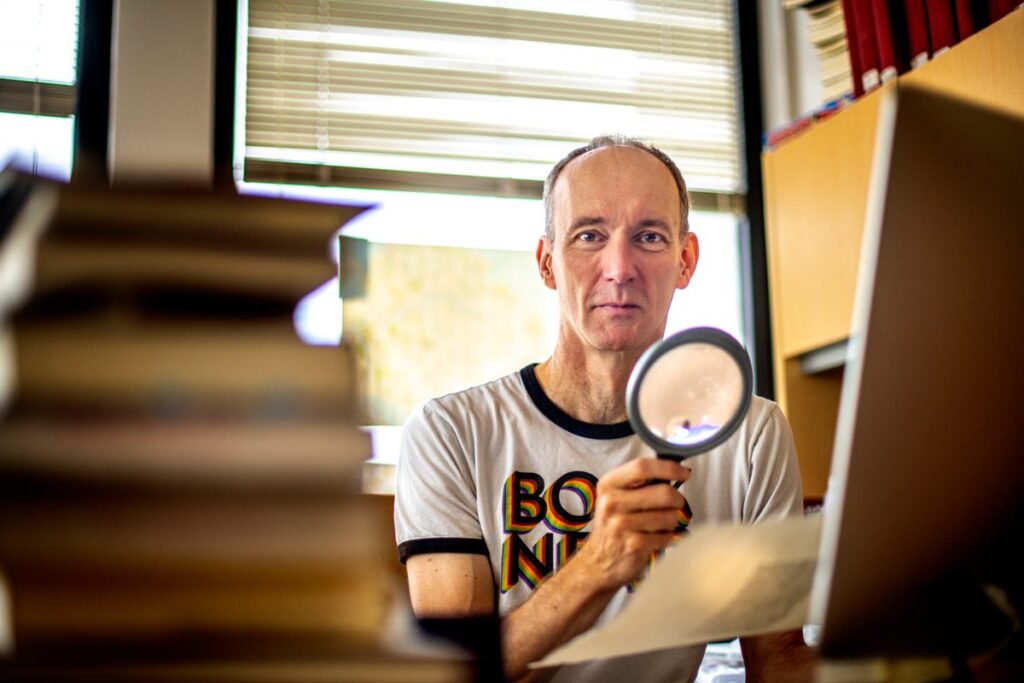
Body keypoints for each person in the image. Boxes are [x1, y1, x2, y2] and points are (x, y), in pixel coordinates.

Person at [395, 135, 814, 682]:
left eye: (649, 237)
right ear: (547, 264)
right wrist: (598, 565)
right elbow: (450, 674)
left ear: (685, 260)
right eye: (589, 236)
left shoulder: (751, 435)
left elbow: (777, 660)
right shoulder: (449, 432)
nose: (620, 268)